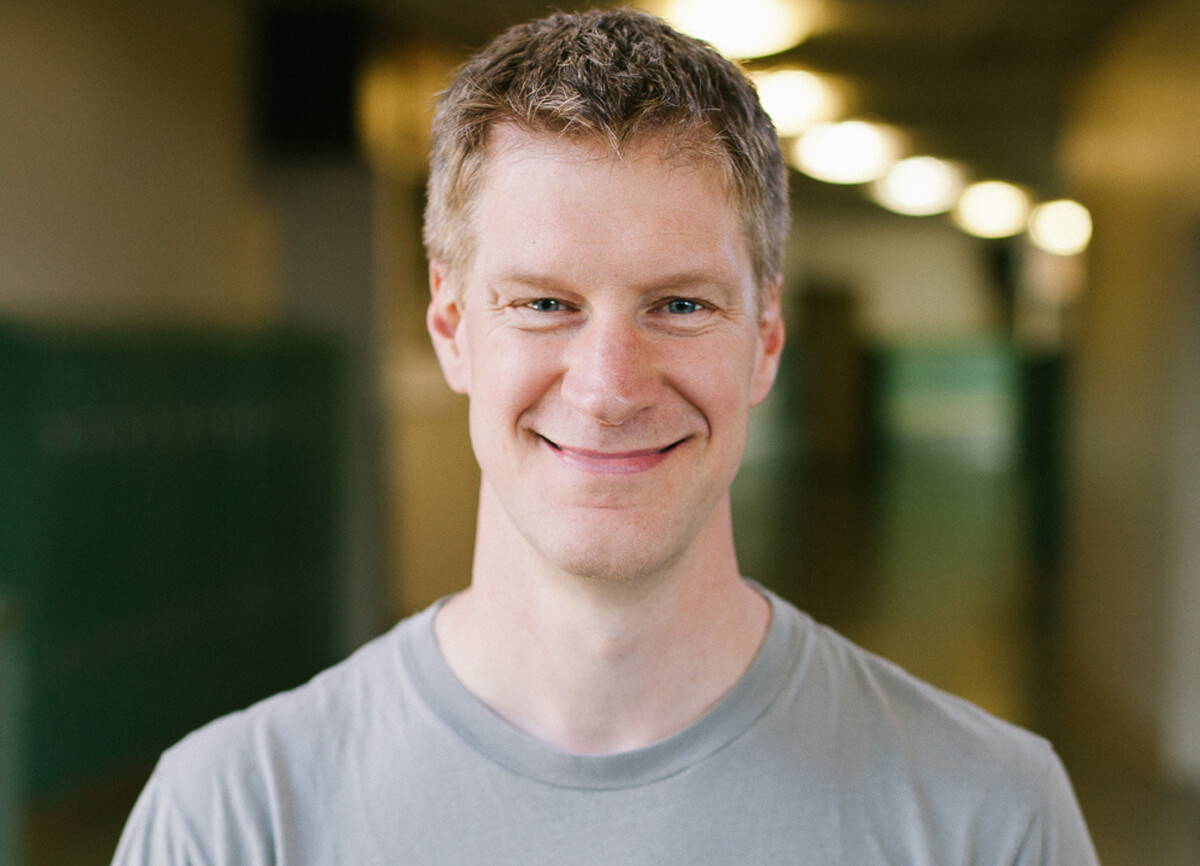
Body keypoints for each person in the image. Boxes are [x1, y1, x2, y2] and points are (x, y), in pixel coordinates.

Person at [114, 9, 1099, 864]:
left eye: (678, 303)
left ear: (764, 342)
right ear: (452, 328)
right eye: (545, 302)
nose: (608, 385)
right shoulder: (231, 819)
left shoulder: (988, 815)